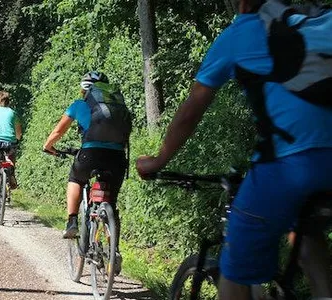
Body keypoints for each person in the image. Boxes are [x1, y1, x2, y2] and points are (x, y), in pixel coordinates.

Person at [136, 0, 332, 299]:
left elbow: (192, 108)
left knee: (235, 270)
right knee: (306, 233)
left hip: (286, 166)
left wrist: (159, 159)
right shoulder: (311, 24)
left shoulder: (238, 35)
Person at [43, 71, 131, 274]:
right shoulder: (119, 106)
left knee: (76, 178)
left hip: (90, 154)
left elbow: (58, 132)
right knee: (111, 203)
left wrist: (48, 146)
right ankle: (114, 250)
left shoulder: (79, 105)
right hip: (117, 157)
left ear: (85, 89)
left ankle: (72, 220)